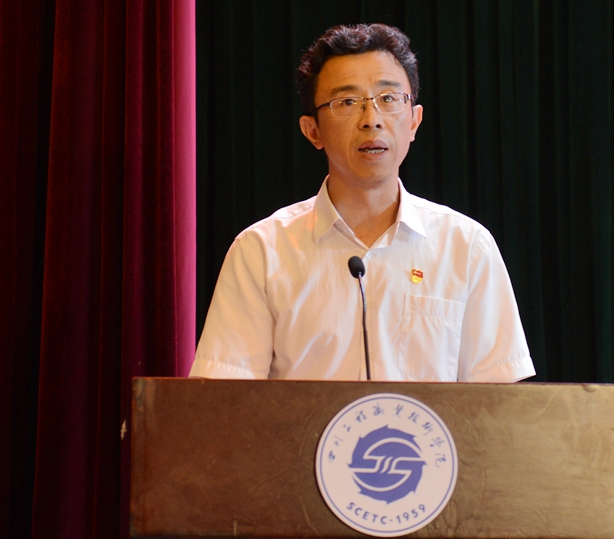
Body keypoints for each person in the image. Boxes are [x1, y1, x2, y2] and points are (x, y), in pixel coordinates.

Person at [191, 23, 534, 382]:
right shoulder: (262, 251)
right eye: (347, 102)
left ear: (414, 121)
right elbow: (225, 400)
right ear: (313, 131)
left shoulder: (466, 246)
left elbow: (498, 403)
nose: (371, 121)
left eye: (388, 99)